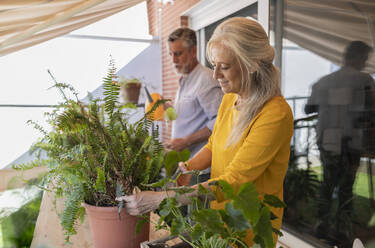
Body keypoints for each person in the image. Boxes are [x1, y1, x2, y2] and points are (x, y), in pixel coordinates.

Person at [118, 17, 294, 246]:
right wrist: (189, 166)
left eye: (225, 66)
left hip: (250, 228)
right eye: (214, 65)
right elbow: (214, 144)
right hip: (219, 218)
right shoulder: (230, 99)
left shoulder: (275, 114)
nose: (215, 75)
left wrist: (162, 198)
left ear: (250, 64)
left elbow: (234, 181)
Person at [305, 41, 374, 240]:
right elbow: (372, 110)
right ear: (358, 57)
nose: (365, 63)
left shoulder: (324, 82)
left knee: (327, 183)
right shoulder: (364, 80)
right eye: (365, 59)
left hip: (328, 139)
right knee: (346, 186)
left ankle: (321, 225)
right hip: (351, 141)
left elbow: (309, 109)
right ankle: (342, 228)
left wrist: (329, 105)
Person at [164, 27, 223, 184]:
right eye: (171, 54)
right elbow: (194, 113)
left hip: (200, 171)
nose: (174, 60)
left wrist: (185, 141)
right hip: (184, 167)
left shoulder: (206, 79)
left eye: (178, 54)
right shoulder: (185, 79)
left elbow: (219, 121)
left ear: (193, 51)